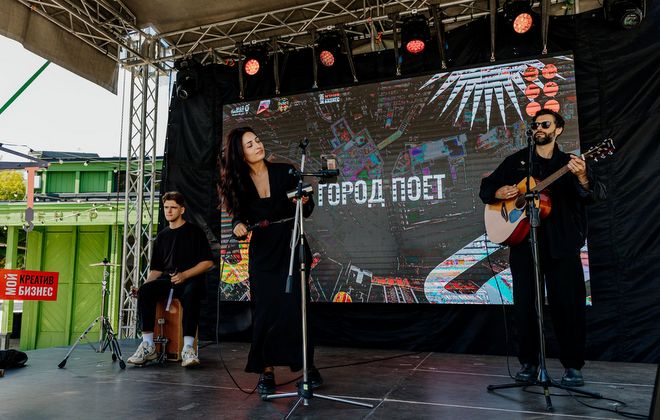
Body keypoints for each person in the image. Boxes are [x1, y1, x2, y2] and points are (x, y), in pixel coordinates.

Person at [479, 109, 606, 387]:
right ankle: (529, 363)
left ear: (558, 130)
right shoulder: (517, 162)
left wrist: (583, 176)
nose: (539, 128)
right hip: (524, 245)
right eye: (535, 124)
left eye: (545, 124)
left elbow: (594, 194)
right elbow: (486, 188)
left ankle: (572, 366)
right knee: (525, 306)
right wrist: (498, 192)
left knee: (568, 306)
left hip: (562, 245)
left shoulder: (570, 163)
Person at [219, 127, 322, 395]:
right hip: (263, 253)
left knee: (297, 308)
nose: (258, 146)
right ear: (240, 154)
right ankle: (266, 372)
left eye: (257, 140)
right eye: (250, 145)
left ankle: (308, 367)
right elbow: (238, 216)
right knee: (264, 312)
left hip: (291, 245)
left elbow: (307, 209)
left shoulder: (285, 171)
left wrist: (305, 200)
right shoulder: (239, 183)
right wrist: (238, 224)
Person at [127, 191, 214, 367]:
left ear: (182, 210)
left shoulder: (195, 232)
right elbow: (156, 270)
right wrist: (143, 286)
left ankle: (188, 349)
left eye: (173, 207)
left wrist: (184, 275)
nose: (169, 211)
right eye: (166, 207)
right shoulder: (162, 236)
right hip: (168, 281)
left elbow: (208, 263)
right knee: (145, 291)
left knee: (192, 292)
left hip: (189, 279)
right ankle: (148, 345)